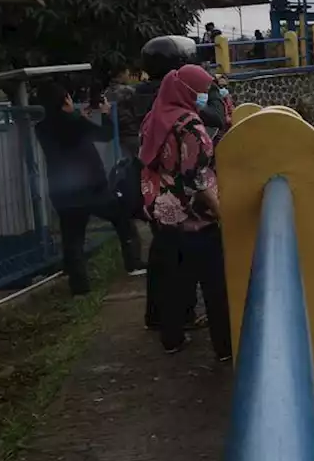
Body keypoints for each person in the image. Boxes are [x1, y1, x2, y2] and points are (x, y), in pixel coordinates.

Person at [139, 64, 231, 359]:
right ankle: (225, 347)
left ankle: (172, 339)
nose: (205, 97)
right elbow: (197, 178)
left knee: (175, 281)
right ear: (188, 92)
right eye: (202, 92)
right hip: (194, 217)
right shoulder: (190, 126)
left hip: (164, 212)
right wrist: (220, 212)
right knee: (215, 284)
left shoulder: (154, 117)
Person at [34, 82, 144, 295]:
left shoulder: (42, 128)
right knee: (122, 219)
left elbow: (68, 134)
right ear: (65, 100)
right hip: (91, 188)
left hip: (62, 192)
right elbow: (105, 134)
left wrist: (80, 118)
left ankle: (80, 287)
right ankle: (134, 263)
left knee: (73, 239)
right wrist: (104, 113)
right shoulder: (75, 122)